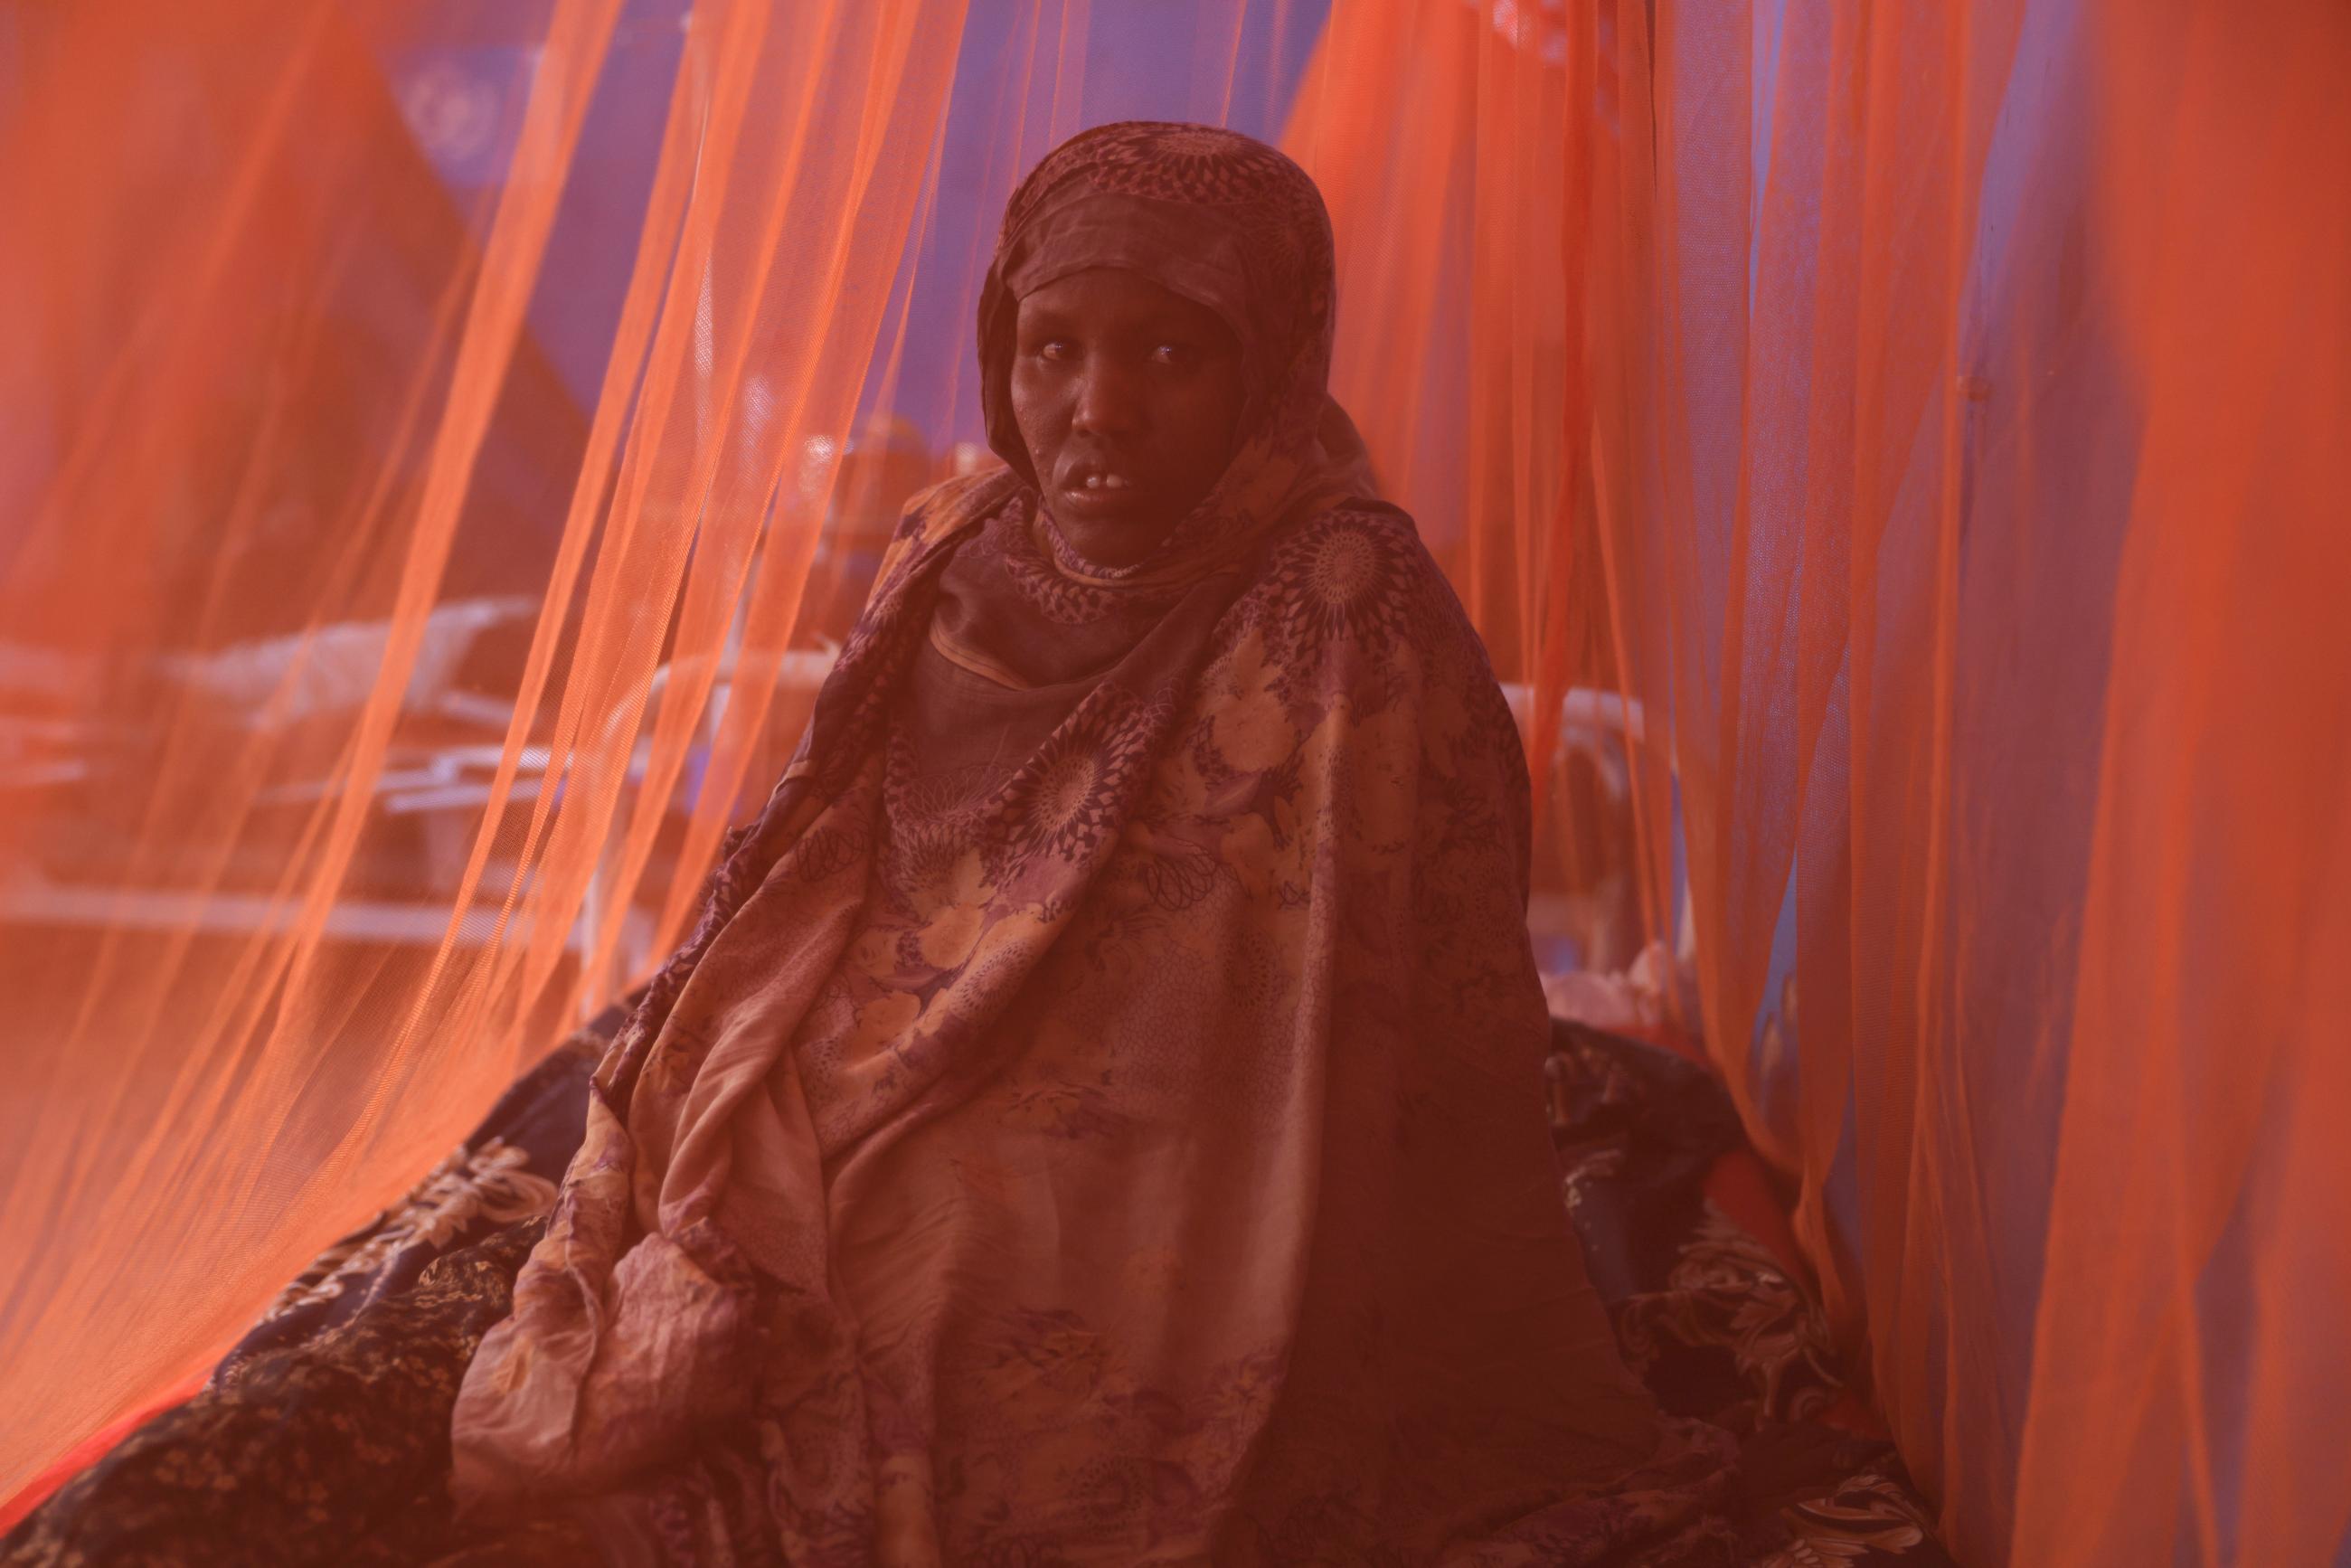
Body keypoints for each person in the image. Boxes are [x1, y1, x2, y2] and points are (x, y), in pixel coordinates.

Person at [3, 124, 1953, 1568]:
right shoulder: (960, 545)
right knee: (714, 1188)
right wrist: (773, 1062)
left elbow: (1350, 1004)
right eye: (1053, 348)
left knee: (946, 1272)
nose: (1096, 408)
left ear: (1269, 356)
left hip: (1196, 1112)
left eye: (1169, 354)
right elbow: (813, 867)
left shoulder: (1342, 605)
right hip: (897, 1031)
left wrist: (998, 1092)